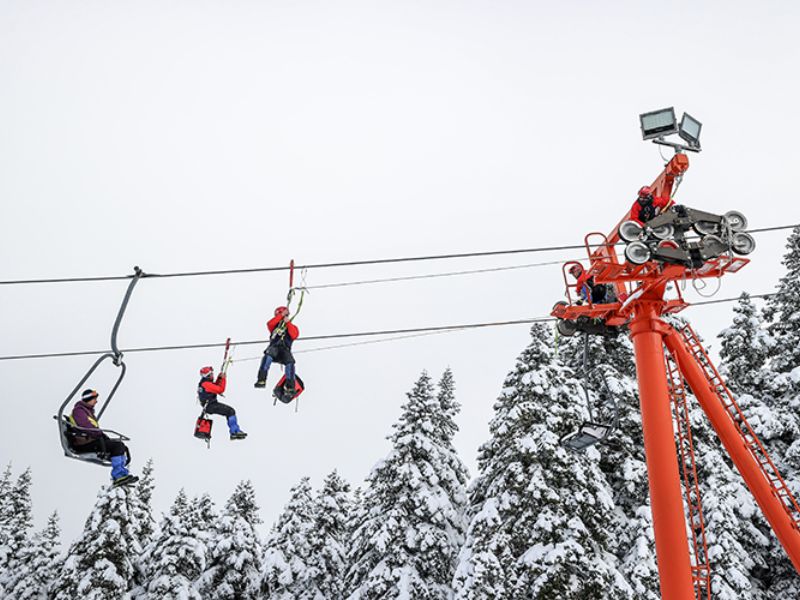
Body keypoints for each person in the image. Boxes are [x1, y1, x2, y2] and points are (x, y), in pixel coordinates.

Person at [70, 389, 139, 486]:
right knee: (117, 446)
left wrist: (103, 436)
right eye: (94, 399)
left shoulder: (88, 412)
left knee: (121, 446)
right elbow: (86, 427)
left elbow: (93, 430)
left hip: (90, 441)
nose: (96, 401)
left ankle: (122, 473)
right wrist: (99, 434)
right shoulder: (79, 411)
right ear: (88, 399)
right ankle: (118, 475)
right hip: (83, 443)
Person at [254, 306, 299, 394]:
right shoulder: (274, 326)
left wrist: (288, 323)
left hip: (284, 350)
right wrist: (281, 315)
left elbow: (294, 335)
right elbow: (269, 323)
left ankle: (290, 386)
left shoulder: (291, 327)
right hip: (274, 348)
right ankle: (261, 379)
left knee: (290, 362)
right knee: (268, 356)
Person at [198, 366, 247, 440]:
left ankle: (235, 431)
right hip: (210, 406)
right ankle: (234, 432)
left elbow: (214, 387)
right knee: (230, 411)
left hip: (209, 405)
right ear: (207, 375)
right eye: (211, 374)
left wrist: (219, 378)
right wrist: (223, 379)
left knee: (229, 411)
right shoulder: (206, 384)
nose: (212, 375)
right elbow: (220, 389)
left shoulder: (204, 383)